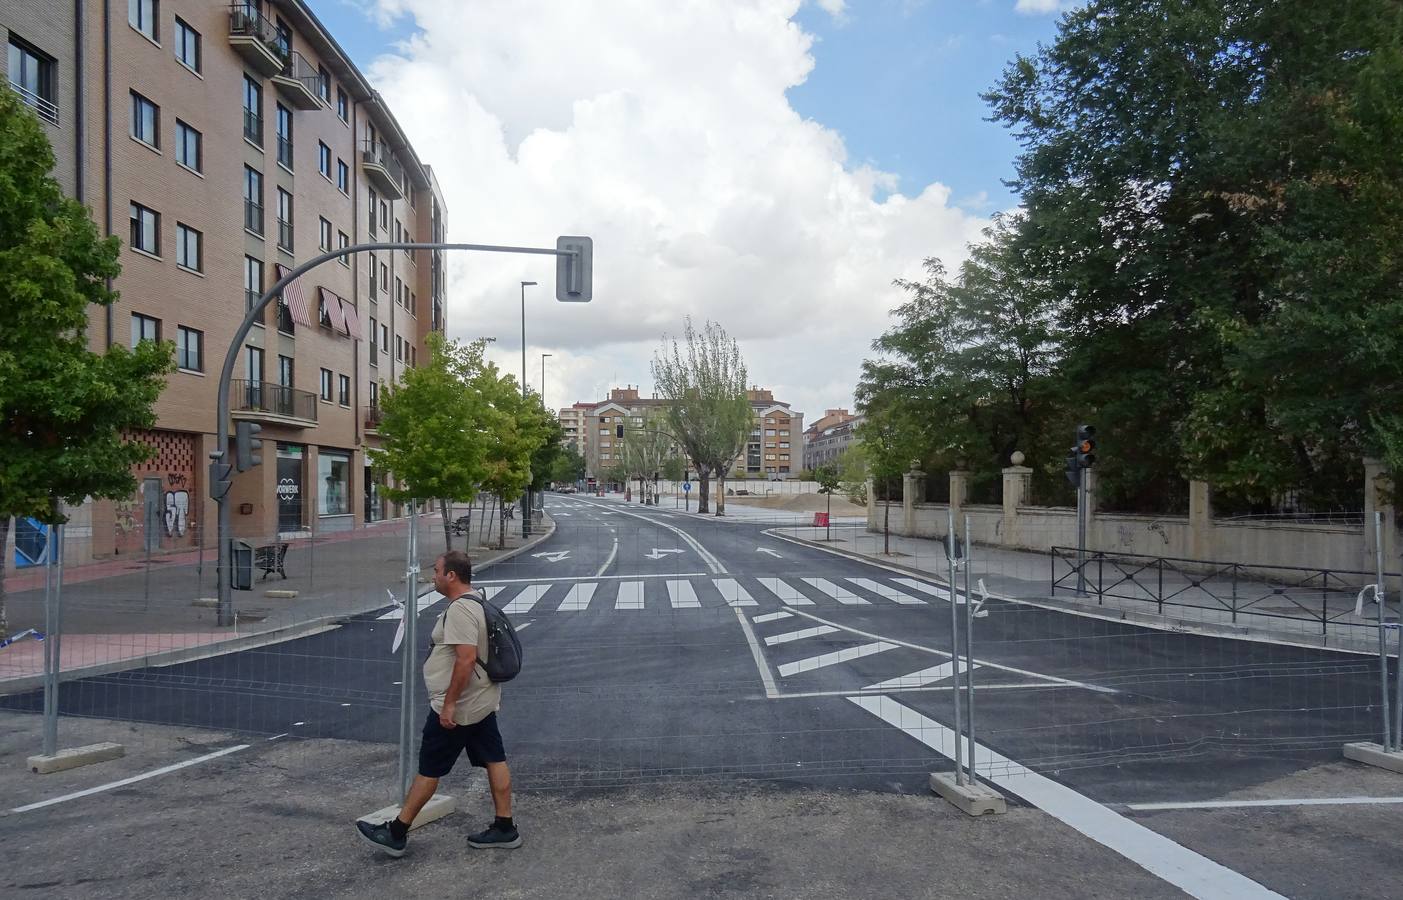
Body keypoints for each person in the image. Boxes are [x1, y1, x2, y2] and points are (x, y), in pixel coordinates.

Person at [357, 550, 520, 856]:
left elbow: (466, 659)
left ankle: (396, 832)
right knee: (495, 759)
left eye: (436, 571)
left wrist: (449, 705)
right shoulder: (477, 600)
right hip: (480, 701)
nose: (433, 576)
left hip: (459, 707)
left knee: (430, 768)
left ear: (451, 576)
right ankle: (504, 826)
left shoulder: (460, 610)